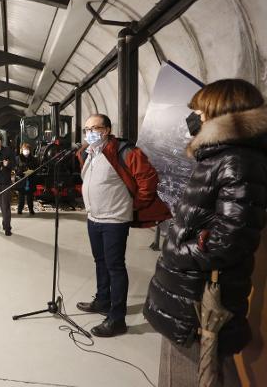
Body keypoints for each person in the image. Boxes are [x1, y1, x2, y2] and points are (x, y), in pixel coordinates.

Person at [143, 79, 267, 386]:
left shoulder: (235, 162)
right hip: (186, 293)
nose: (194, 117)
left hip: (198, 301)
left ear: (218, 112)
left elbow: (229, 241)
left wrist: (176, 248)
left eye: (198, 110)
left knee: (195, 374)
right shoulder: (219, 158)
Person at [75, 113, 170, 337]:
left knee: (115, 267)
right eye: (86, 130)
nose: (89, 133)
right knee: (100, 262)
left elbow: (149, 179)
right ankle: (102, 300)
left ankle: (117, 319)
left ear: (106, 130)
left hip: (114, 220)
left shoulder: (124, 152)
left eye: (94, 128)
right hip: (94, 218)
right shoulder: (88, 153)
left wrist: (134, 205)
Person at [15, 143, 38, 215]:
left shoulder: (33, 159)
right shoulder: (18, 158)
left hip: (30, 179)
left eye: (27, 149)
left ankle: (31, 210)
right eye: (25, 149)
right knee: (21, 197)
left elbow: (36, 168)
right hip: (21, 180)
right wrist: (22, 172)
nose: (26, 150)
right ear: (22, 150)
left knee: (30, 197)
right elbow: (16, 168)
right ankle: (19, 210)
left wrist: (31, 171)